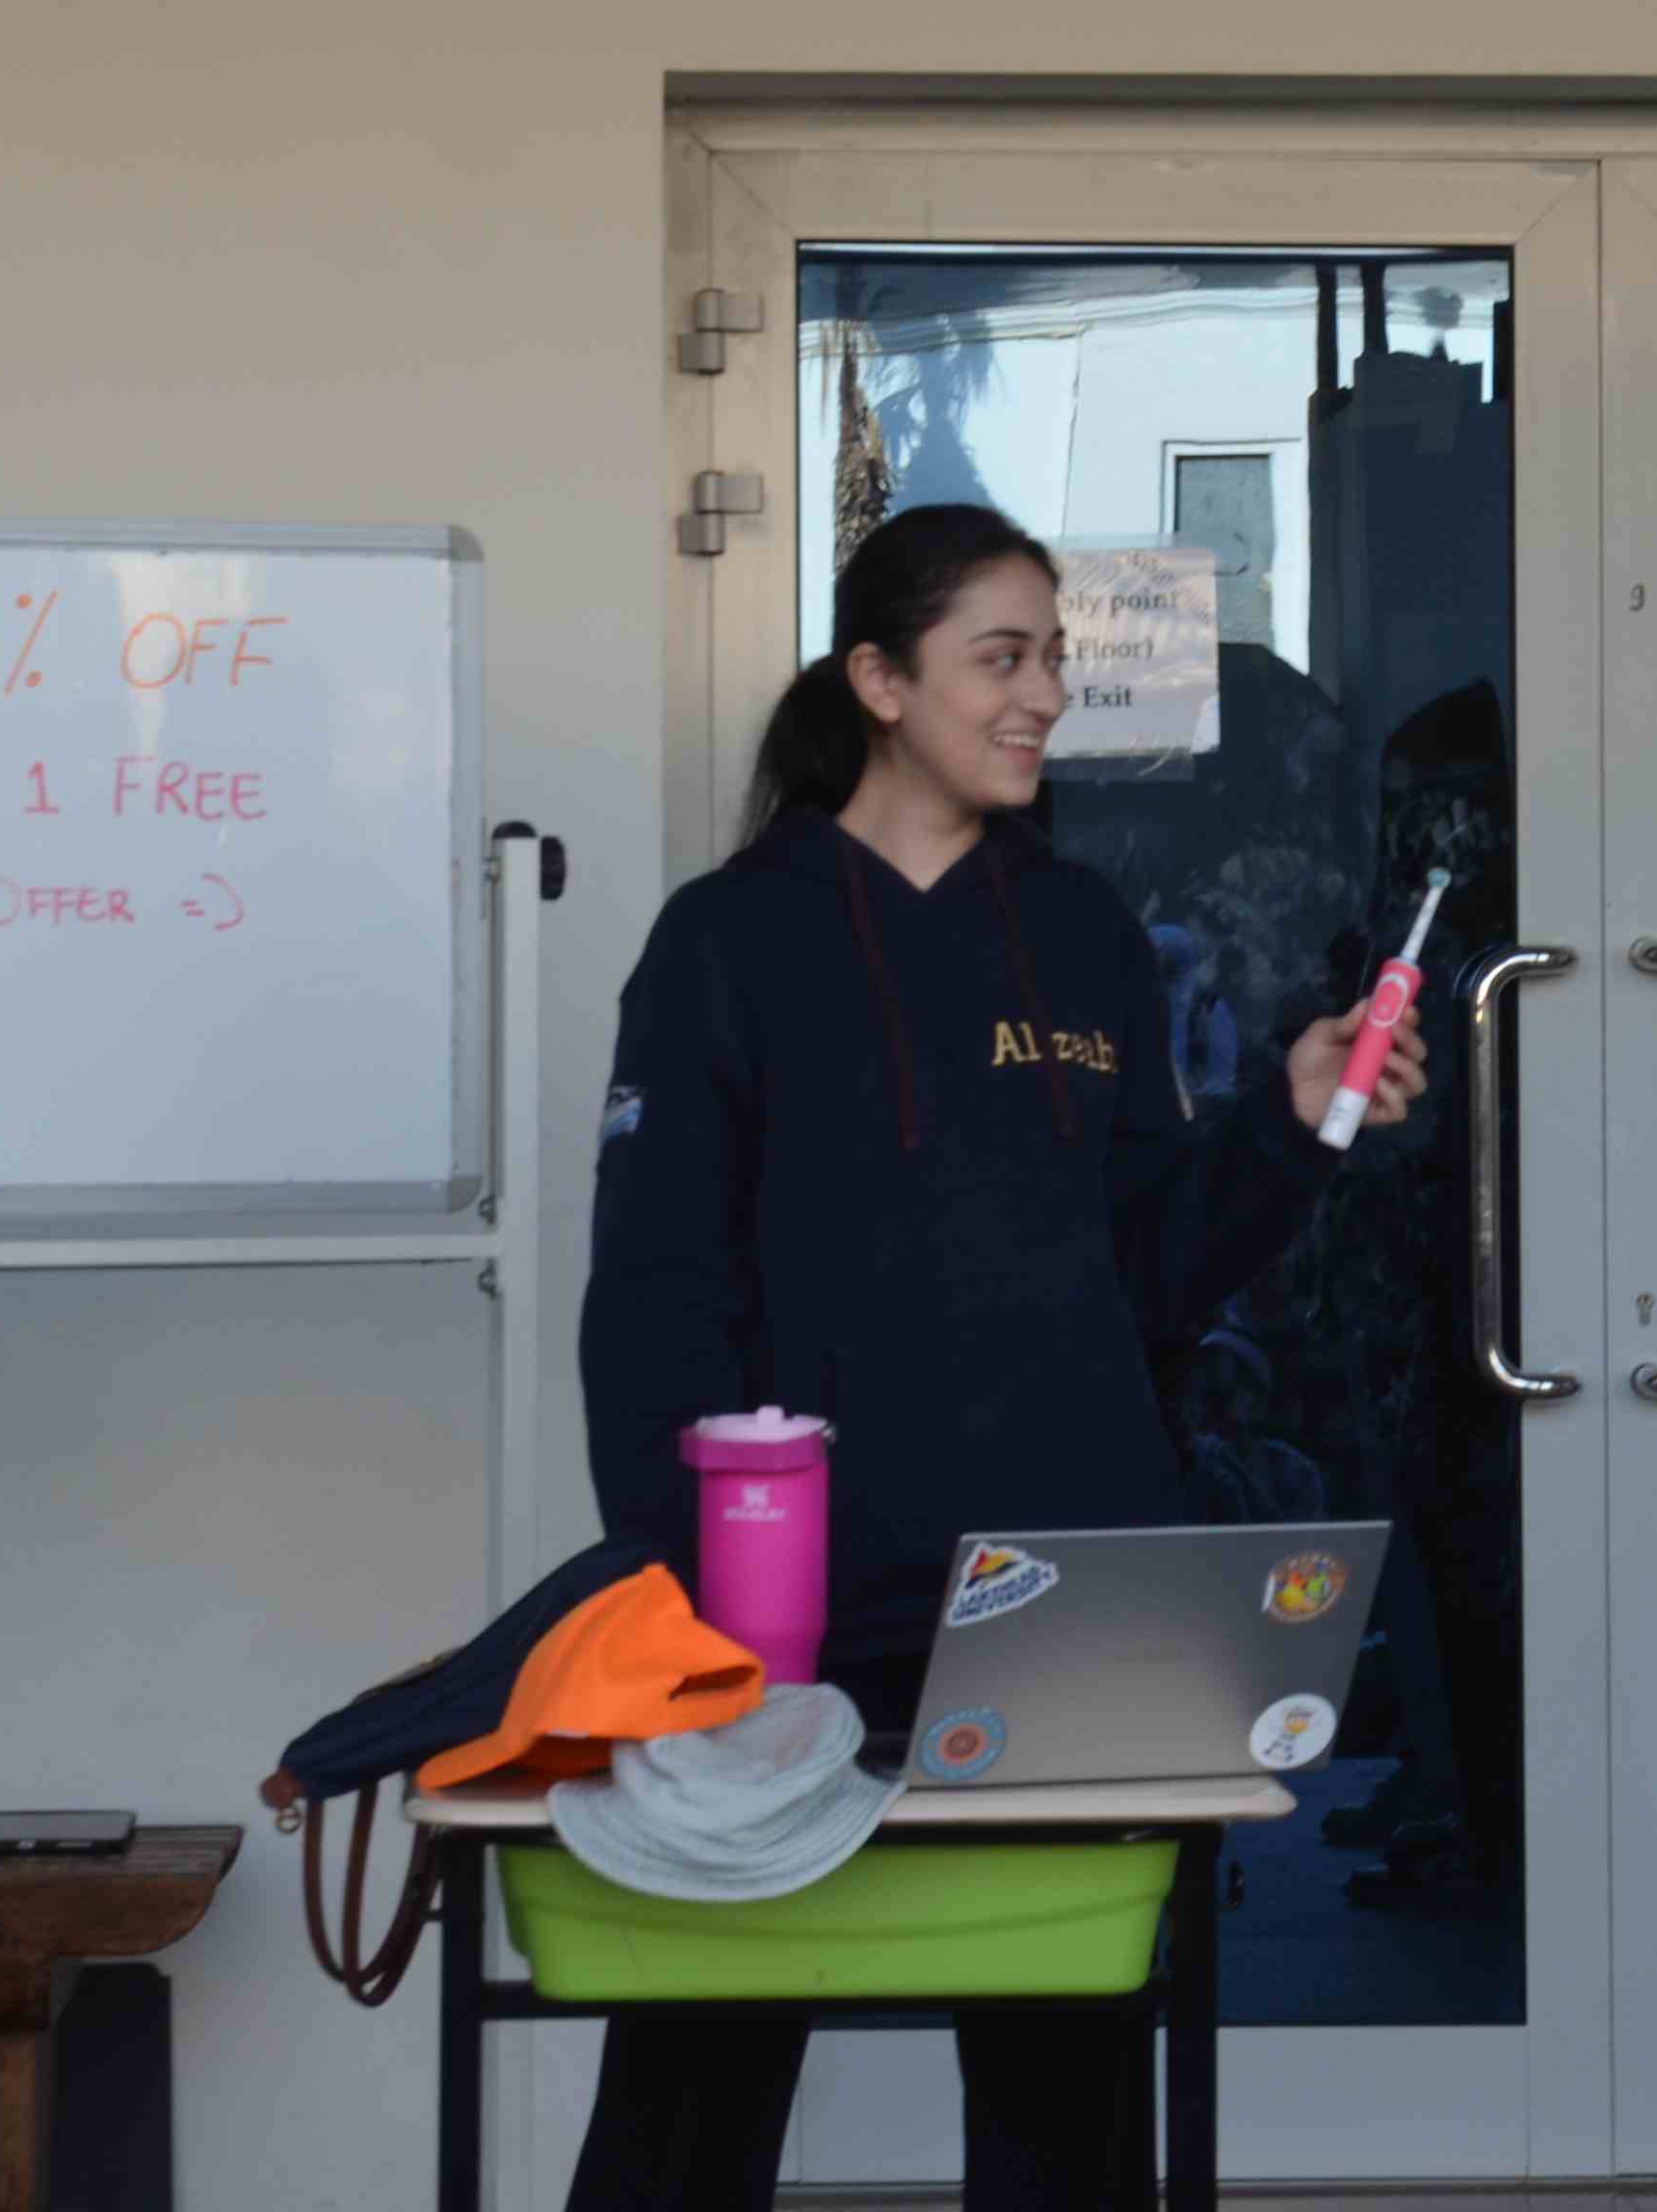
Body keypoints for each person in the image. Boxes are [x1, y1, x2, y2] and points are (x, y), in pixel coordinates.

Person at [575, 501, 1426, 2212]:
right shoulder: (726, 941)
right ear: (881, 681)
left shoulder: (1086, 934)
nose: (1044, 695)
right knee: (691, 2104)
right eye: (1003, 657)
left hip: (1059, 1603)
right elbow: (656, 1304)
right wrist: (703, 1612)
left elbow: (1151, 1271)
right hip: (786, 1632)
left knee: (1067, 2110)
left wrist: (1287, 1125)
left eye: (1056, 658)